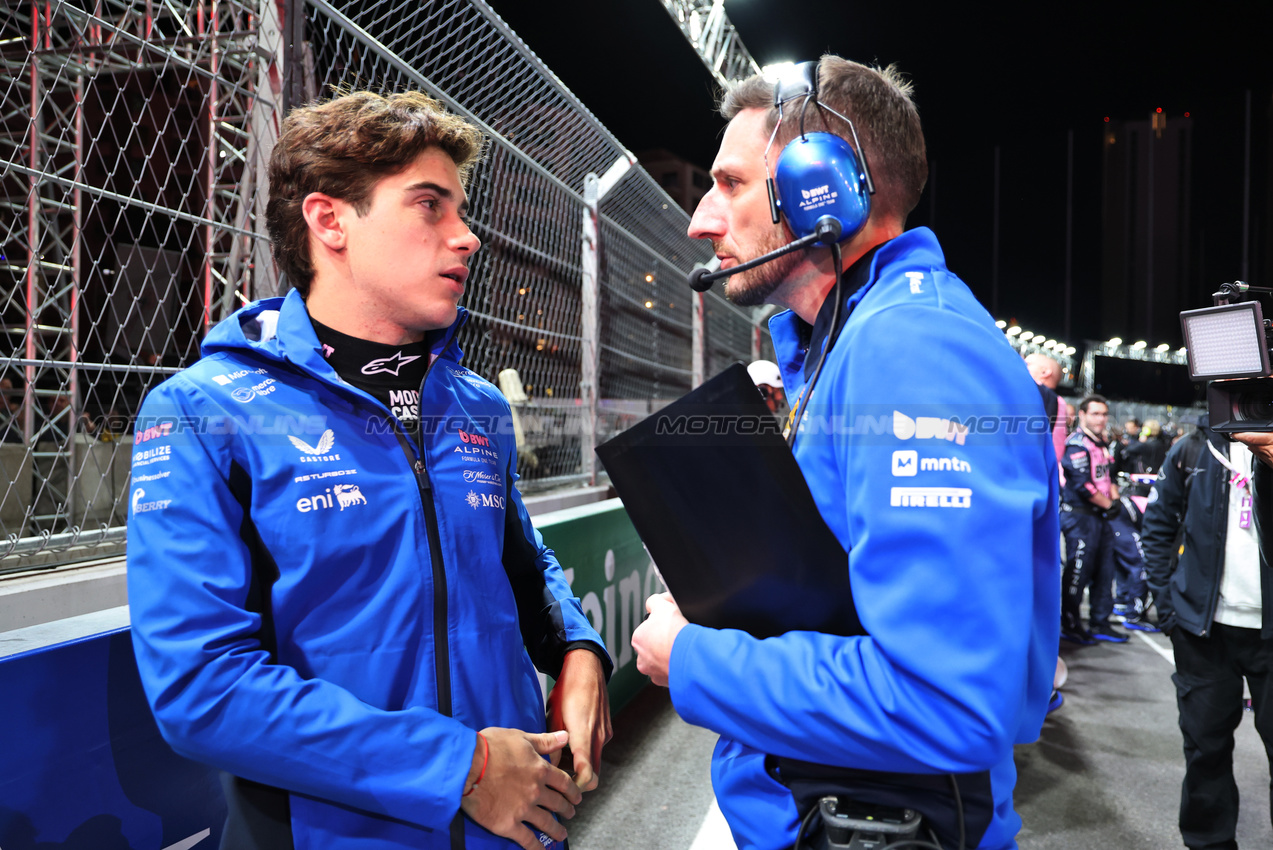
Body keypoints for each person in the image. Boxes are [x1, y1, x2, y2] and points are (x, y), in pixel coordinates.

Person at [126, 90, 612, 850]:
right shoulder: (203, 411)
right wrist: (464, 767)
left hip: (517, 829)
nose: (467, 238)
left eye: (462, 209)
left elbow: (520, 564)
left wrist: (579, 651)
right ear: (329, 221)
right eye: (429, 206)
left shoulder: (476, 404)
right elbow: (202, 689)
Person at [632, 56, 1059, 850]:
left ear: (818, 187)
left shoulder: (911, 350)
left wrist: (695, 660)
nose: (699, 219)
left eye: (729, 185)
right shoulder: (850, 344)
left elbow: (947, 704)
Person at [1143, 421, 1273, 850]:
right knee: (1205, 753)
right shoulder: (1192, 448)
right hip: (1203, 633)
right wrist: (1169, 608)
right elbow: (1158, 526)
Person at [1059, 395, 1151, 644]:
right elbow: (1083, 485)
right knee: (1078, 572)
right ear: (1083, 415)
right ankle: (1070, 623)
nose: (1101, 419)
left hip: (1102, 517)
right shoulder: (1076, 444)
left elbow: (1107, 478)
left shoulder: (1101, 442)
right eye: (1095, 414)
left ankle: (1100, 622)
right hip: (1080, 518)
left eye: (1104, 414)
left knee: (1105, 573)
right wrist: (1110, 505)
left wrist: (1114, 502)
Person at [1025, 353, 1069, 470]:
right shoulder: (1057, 401)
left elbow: (1055, 449)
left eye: (1027, 364)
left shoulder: (1054, 401)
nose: (1021, 366)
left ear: (1045, 372)